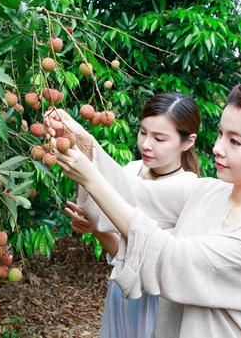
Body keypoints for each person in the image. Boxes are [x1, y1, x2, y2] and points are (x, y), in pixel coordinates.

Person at [48, 81, 241, 338]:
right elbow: (134, 193)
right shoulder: (207, 191)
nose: (217, 148)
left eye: (236, 142)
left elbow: (175, 261)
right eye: (222, 134)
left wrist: (90, 177)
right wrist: (81, 140)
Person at [64, 92, 201, 338]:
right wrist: (95, 228)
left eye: (160, 138)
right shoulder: (131, 170)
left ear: (188, 141)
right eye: (143, 132)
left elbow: (165, 263)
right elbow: (123, 253)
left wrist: (88, 156)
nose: (146, 144)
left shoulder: (189, 189)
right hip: (123, 290)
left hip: (157, 301)